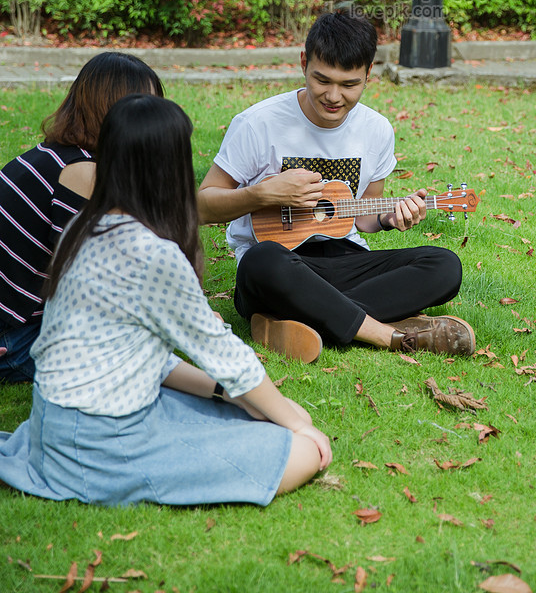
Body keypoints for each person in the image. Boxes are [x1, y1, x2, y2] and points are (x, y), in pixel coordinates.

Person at [0, 94, 331, 505]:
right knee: (300, 451)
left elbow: (144, 357)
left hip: (52, 428)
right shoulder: (152, 254)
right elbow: (225, 354)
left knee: (258, 411)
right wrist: (298, 428)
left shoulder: (82, 227)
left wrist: (225, 394)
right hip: (101, 447)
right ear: (170, 168)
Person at [198, 9, 474, 363]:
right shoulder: (258, 123)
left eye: (349, 84)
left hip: (347, 264)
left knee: (444, 265)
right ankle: (386, 332)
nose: (333, 96)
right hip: (279, 267)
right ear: (303, 63)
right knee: (261, 261)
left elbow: (365, 219)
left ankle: (302, 320)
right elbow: (202, 206)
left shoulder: (376, 130)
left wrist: (391, 217)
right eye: (322, 80)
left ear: (368, 74)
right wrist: (261, 194)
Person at [0, 51, 164, 383]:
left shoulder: (49, 157)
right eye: (145, 109)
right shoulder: (82, 174)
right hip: (15, 338)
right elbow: (99, 287)